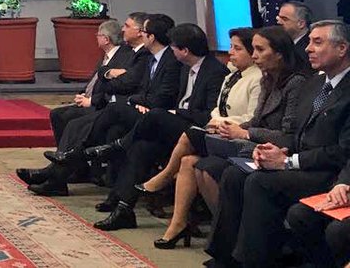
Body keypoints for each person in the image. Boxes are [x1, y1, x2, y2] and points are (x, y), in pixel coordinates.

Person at [205, 20, 350, 268]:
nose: (308, 48)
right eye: (309, 42)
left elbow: (343, 151)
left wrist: (288, 161)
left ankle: (253, 262)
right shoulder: (315, 84)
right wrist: (274, 151)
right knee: (235, 173)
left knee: (260, 182)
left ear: (342, 48)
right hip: (301, 162)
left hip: (330, 171)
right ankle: (226, 257)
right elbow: (295, 134)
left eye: (318, 42)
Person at [135, 27, 282, 249]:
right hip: (219, 131)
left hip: (240, 138)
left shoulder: (257, 79)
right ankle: (179, 224)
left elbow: (251, 118)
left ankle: (165, 176)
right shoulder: (232, 76)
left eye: (238, 48)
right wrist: (216, 121)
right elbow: (216, 109)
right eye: (231, 47)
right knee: (187, 161)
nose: (230, 52)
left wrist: (219, 122)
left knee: (188, 133)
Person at [90, 23, 227, 232]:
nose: (171, 51)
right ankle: (124, 209)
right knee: (141, 147)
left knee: (153, 116)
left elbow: (208, 114)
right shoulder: (185, 68)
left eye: (174, 47)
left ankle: (118, 145)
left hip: (196, 130)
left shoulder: (214, 72)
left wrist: (174, 113)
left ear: (185, 51)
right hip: (174, 126)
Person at [25, 13, 149, 196]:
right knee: (62, 116)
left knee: (75, 124)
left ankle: (57, 174)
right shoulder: (132, 52)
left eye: (127, 26)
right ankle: (62, 171)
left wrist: (108, 79)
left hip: (121, 106)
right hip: (114, 105)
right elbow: (107, 76)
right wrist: (109, 74)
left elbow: (127, 83)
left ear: (140, 32)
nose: (123, 29)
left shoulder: (141, 54)